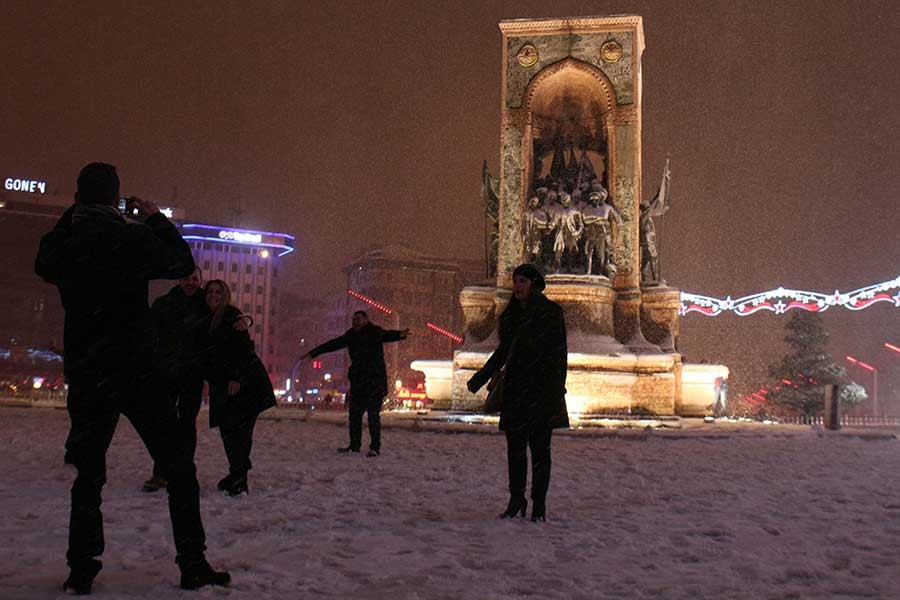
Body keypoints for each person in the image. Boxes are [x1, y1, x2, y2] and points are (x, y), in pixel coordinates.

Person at [34, 163, 229, 593]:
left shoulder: (68, 244)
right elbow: (181, 260)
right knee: (178, 466)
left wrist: (74, 214)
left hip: (89, 371)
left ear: (80, 197)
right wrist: (154, 218)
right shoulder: (130, 238)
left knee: (89, 475)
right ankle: (192, 563)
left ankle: (81, 570)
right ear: (115, 198)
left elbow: (42, 260)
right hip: (136, 370)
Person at [466, 264, 568, 522]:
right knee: (515, 450)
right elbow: (503, 352)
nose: (517, 286)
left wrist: (557, 389)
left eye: (521, 281)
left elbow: (559, 354)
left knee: (541, 451)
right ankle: (516, 498)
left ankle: (539, 504)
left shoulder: (551, 313)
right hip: (515, 390)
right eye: (516, 281)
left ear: (533, 283)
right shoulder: (511, 315)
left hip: (541, 390)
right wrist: (480, 378)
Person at [141, 268, 251, 493]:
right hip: (166, 374)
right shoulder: (164, 303)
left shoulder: (205, 301)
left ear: (199, 281)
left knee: (187, 425)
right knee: (164, 423)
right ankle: (160, 471)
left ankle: (183, 471)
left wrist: (246, 321)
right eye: (186, 278)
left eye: (194, 279)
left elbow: (229, 313)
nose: (190, 283)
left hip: (192, 376)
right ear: (179, 279)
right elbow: (149, 334)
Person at [199, 280, 275, 496]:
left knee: (238, 432)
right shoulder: (208, 317)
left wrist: (237, 377)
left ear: (226, 296)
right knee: (229, 431)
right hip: (225, 385)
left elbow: (244, 349)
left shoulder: (231, 315)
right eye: (210, 291)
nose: (214, 295)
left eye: (218, 292)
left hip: (245, 385)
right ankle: (237, 472)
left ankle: (239, 478)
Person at [303, 311, 409, 457]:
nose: (355, 322)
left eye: (358, 319)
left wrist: (400, 335)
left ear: (366, 320)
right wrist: (313, 353)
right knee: (354, 415)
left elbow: (387, 335)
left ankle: (375, 448)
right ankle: (354, 445)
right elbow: (333, 344)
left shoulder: (374, 332)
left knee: (373, 416)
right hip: (359, 382)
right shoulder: (351, 335)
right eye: (354, 320)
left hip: (374, 382)